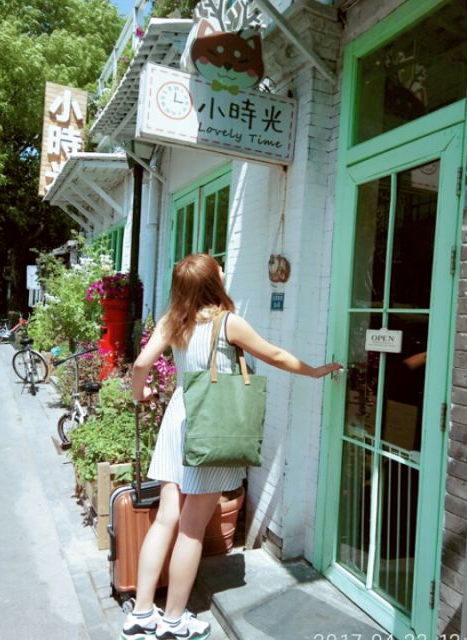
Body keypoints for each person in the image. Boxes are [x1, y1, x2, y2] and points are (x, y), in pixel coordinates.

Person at [121, 253, 341, 640]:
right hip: (212, 423)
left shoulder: (172, 320)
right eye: (218, 268)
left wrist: (141, 395)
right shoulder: (227, 322)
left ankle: (141, 613)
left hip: (179, 418)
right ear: (211, 282)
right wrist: (315, 371)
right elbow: (274, 355)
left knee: (167, 518)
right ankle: (173, 620)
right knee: (192, 528)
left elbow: (140, 365)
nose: (223, 269)